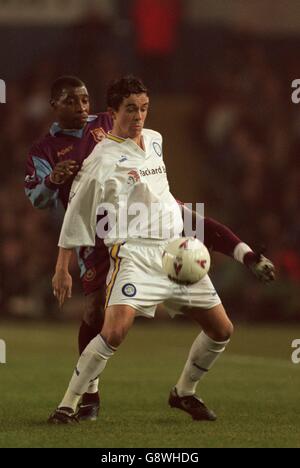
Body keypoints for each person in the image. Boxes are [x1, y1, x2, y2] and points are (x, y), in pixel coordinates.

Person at [48, 75, 275, 424]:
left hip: (177, 253)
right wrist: (62, 267)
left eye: (143, 108)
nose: (139, 116)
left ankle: (184, 392)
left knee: (222, 330)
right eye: (130, 110)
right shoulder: (100, 161)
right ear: (112, 112)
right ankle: (68, 403)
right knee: (113, 332)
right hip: (134, 255)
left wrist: (245, 253)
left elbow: (171, 203)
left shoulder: (155, 141)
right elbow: (76, 213)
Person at [24, 75, 113, 421]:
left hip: (130, 223)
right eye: (72, 101)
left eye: (85, 100)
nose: (82, 108)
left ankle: (186, 386)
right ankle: (90, 394)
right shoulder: (43, 150)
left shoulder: (106, 123)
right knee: (95, 310)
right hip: (89, 234)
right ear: (54, 106)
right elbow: (37, 198)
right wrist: (52, 179)